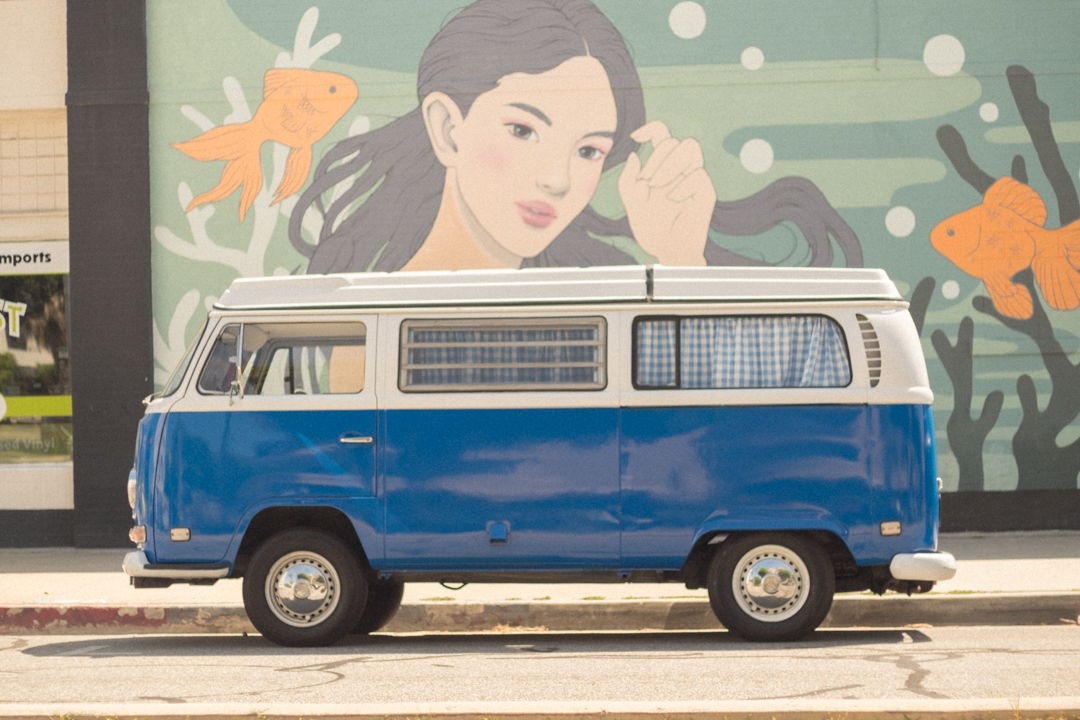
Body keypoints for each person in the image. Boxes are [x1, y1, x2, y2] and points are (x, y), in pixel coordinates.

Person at [289, 0, 862, 273]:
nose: (558, 179)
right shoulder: (373, 323)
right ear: (447, 128)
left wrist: (681, 253)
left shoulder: (590, 293)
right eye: (523, 129)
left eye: (589, 150)